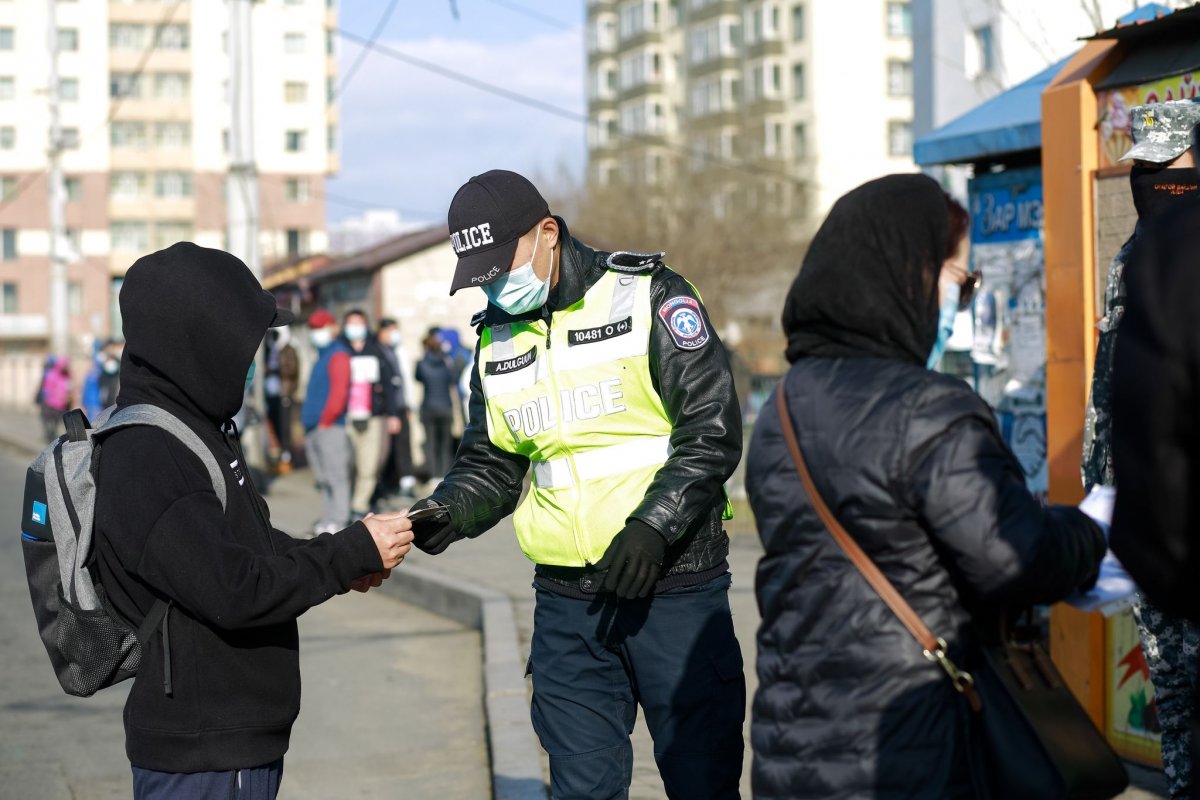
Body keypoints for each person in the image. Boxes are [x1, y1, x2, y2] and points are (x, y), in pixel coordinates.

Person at [746, 174, 1106, 799]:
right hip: (911, 744)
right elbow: (1012, 559)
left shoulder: (783, 408)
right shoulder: (930, 408)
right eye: (960, 283)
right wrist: (1089, 532)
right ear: (907, 273)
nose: (959, 307)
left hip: (792, 741)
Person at [408, 169, 745, 798]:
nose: (494, 287)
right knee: (581, 788)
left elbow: (712, 427)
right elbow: (493, 461)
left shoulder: (649, 296)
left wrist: (653, 527)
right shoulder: (495, 337)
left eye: (498, 267)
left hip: (672, 585)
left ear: (547, 233)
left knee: (703, 779)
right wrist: (446, 512)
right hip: (568, 604)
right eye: (479, 277)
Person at [92, 242, 412, 800]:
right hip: (203, 753)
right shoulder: (147, 452)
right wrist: (346, 556)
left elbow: (251, 545)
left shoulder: (195, 427)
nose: (249, 360)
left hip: (231, 742)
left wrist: (348, 552)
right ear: (200, 342)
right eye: (242, 345)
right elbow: (235, 588)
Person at [1104, 101, 1200, 800]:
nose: (1153, 180)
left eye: (1169, 168)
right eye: (1144, 167)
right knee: (1173, 700)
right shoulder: (1133, 257)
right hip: (1141, 521)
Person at [341, 309, 402, 517]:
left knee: (369, 465)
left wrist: (393, 414)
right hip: (345, 417)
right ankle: (344, 504)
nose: (355, 328)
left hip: (373, 417)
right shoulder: (339, 350)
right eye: (351, 323)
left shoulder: (375, 351)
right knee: (347, 464)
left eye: (359, 323)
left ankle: (359, 506)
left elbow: (388, 385)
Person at [301, 310, 353, 535]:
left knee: (336, 475)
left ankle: (339, 519)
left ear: (333, 327)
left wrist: (326, 420)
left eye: (320, 327)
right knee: (324, 478)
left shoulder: (338, 355)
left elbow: (338, 393)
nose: (316, 332)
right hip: (316, 426)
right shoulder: (321, 355)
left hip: (329, 426)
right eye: (313, 328)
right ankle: (330, 517)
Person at [374, 318, 417, 504]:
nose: (394, 334)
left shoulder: (395, 352)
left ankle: (404, 483)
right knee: (384, 450)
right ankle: (381, 486)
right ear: (381, 331)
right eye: (391, 330)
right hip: (386, 410)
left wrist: (407, 405)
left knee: (402, 446)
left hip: (399, 407)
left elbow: (403, 383)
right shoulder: (377, 352)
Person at [414, 327, 457, 484]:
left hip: (428, 408)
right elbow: (452, 379)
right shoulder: (446, 362)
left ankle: (433, 475)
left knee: (430, 443)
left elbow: (418, 378)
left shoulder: (421, 364)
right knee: (445, 443)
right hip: (445, 406)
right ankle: (445, 474)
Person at [263, 326, 299, 473]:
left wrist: (275, 368)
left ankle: (287, 456)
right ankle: (278, 456)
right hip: (270, 392)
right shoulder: (268, 348)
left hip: (283, 393)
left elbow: (292, 369)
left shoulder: (288, 349)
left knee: (285, 427)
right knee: (274, 425)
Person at [36, 354, 72, 443]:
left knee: (57, 423)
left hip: (62, 404)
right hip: (51, 404)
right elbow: (47, 389)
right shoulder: (52, 374)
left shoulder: (67, 375)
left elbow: (69, 387)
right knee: (49, 422)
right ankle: (50, 437)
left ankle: (53, 436)